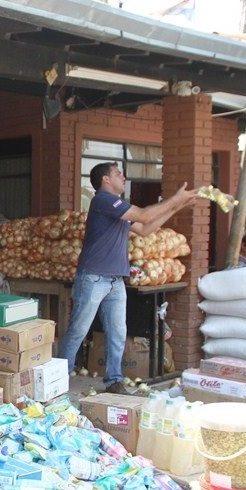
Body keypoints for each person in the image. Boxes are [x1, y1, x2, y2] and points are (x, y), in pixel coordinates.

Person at [58, 162, 198, 393]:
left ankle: (114, 380)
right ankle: (59, 380)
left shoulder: (118, 208)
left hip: (114, 281)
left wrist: (177, 207)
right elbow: (143, 215)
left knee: (118, 331)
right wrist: (175, 199)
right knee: (79, 330)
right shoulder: (103, 200)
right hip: (93, 278)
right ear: (105, 180)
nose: (123, 178)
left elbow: (145, 229)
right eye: (117, 174)